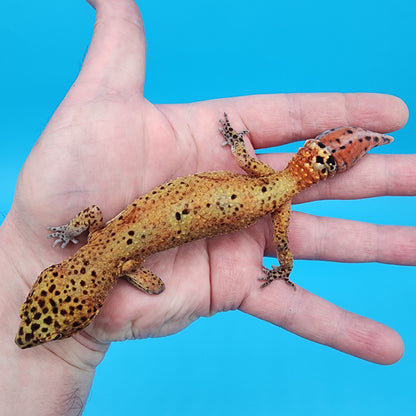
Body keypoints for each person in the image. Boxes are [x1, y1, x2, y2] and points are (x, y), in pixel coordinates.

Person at [1, 0, 415, 414]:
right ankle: (290, 231)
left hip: (266, 196)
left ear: (85, 296)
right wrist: (75, 232)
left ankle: (285, 266)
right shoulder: (97, 234)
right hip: (260, 185)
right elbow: (95, 219)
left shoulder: (127, 268)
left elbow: (155, 286)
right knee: (279, 217)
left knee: (283, 246)